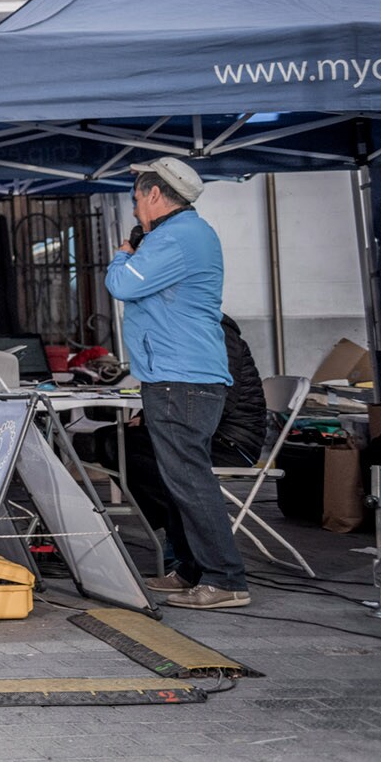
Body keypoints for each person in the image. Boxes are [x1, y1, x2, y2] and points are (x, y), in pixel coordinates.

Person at [105, 156, 249, 610]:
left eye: (135, 199)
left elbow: (123, 285)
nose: (133, 210)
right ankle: (190, 570)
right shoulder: (174, 235)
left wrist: (123, 254)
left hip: (182, 378)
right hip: (172, 376)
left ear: (152, 194)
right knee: (175, 480)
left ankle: (226, 579)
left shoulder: (178, 237)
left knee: (190, 480)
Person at [123, 314, 268, 584]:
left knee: (155, 455)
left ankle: (200, 563)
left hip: (232, 440)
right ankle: (183, 549)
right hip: (205, 431)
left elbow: (216, 397)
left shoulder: (217, 333)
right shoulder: (186, 331)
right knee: (118, 442)